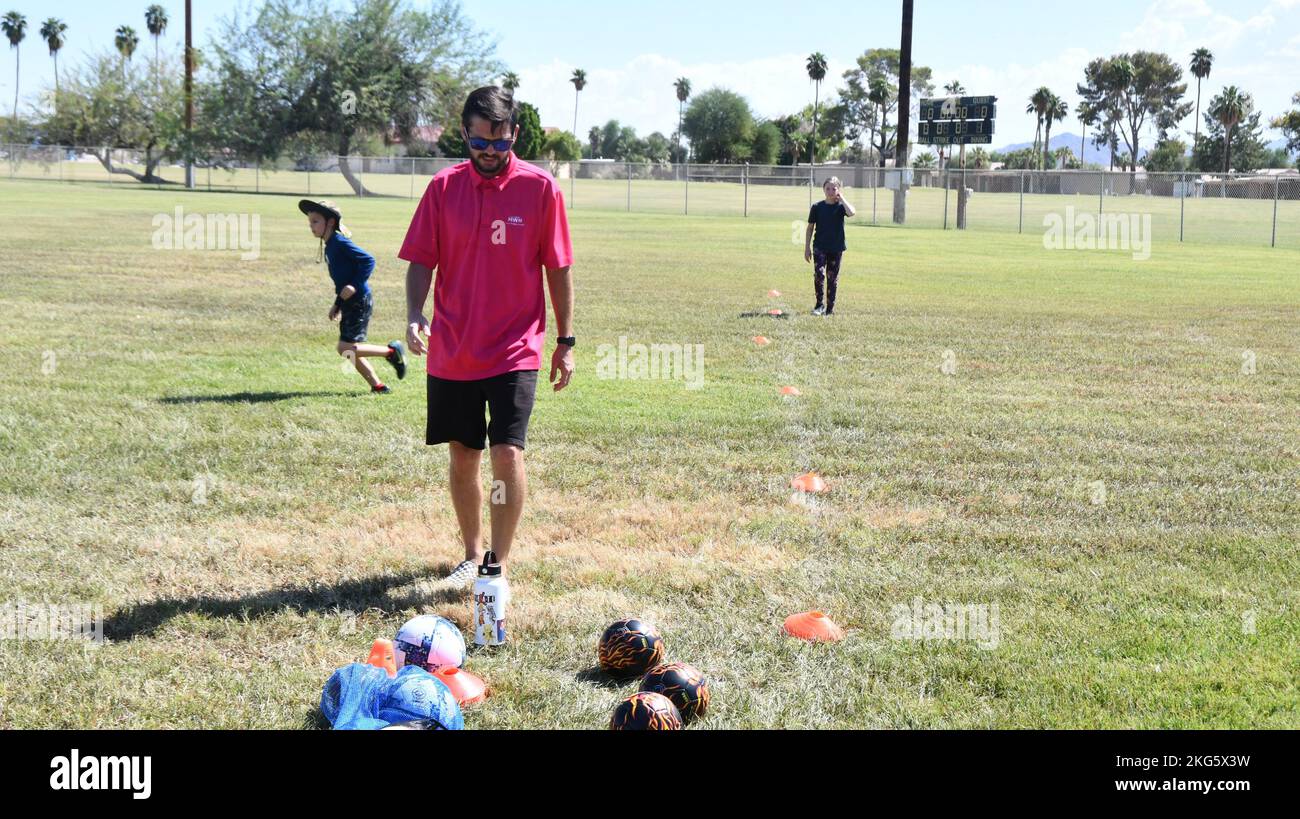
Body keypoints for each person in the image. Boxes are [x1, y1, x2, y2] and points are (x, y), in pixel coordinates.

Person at [397, 86, 575, 594]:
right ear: (465, 136)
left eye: (499, 142)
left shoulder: (541, 189)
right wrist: (415, 312)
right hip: (453, 347)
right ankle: (470, 555)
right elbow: (421, 260)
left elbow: (557, 267)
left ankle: (497, 561)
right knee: (463, 453)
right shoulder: (443, 188)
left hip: (516, 345)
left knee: (507, 453)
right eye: (479, 143)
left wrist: (565, 339)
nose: (490, 153)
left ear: (514, 134)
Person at [299, 198, 406, 392]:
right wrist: (338, 303)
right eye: (310, 222)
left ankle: (391, 352)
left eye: (315, 221)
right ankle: (378, 386)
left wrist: (354, 286)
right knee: (350, 350)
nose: (311, 226)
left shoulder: (339, 242)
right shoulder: (329, 244)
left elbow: (368, 260)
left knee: (345, 348)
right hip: (349, 302)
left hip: (359, 302)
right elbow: (342, 281)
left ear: (330, 222)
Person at [804, 177, 856, 316]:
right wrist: (807, 247)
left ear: (838, 190)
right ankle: (819, 305)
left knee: (832, 278)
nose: (831, 191)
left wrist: (842, 199)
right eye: (828, 188)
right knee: (819, 275)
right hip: (819, 247)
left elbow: (852, 212)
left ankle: (830, 309)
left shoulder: (841, 207)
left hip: (836, 248)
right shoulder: (817, 207)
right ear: (823, 190)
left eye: (834, 188)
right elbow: (810, 228)